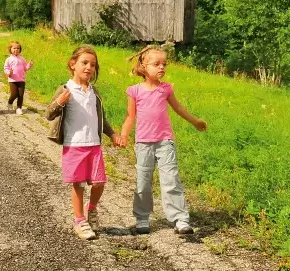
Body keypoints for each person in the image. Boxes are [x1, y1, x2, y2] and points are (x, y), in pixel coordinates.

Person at [119, 45, 208, 236]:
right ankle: (142, 218)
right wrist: (124, 135)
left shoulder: (165, 89)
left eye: (164, 64)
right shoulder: (134, 91)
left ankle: (180, 219)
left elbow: (179, 109)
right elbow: (129, 116)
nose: (162, 68)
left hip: (165, 141)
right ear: (143, 66)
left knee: (171, 179)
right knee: (143, 182)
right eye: (156, 64)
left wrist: (195, 121)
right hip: (143, 143)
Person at [46, 46, 124, 240]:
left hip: (94, 145)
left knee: (99, 182)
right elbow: (49, 114)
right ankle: (80, 221)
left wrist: (112, 135)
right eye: (84, 63)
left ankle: (92, 210)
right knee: (78, 184)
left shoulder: (94, 92)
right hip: (74, 144)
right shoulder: (66, 89)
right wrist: (60, 102)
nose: (89, 67)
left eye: (93, 65)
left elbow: (101, 118)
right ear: (73, 64)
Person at [4, 40, 33, 115]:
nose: (16, 50)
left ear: (20, 49)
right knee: (14, 94)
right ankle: (10, 102)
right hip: (12, 80)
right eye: (14, 48)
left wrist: (29, 65)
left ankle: (19, 108)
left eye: (18, 48)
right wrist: (8, 72)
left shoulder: (22, 59)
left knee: (20, 95)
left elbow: (25, 68)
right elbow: (6, 68)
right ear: (10, 49)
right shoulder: (9, 59)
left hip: (21, 80)